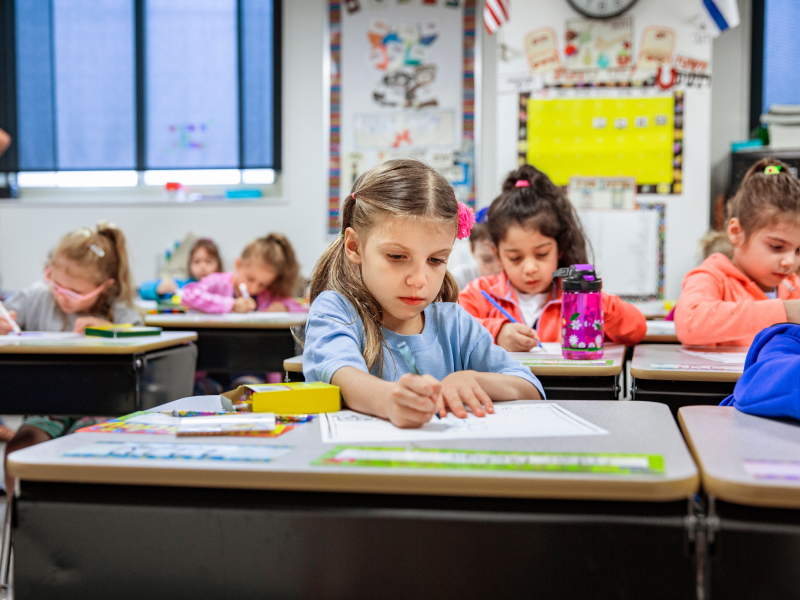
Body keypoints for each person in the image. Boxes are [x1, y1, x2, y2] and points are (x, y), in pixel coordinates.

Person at [303, 159, 544, 429]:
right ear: (355, 246)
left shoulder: (454, 323)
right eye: (396, 256)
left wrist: (476, 380)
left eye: (436, 260)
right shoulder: (336, 311)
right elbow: (341, 373)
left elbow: (529, 387)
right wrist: (390, 400)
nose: (418, 280)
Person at [1, 222, 141, 490]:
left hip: (102, 408)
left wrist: (111, 332)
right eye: (55, 283)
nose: (62, 296)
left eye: (75, 292)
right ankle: (18, 522)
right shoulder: (36, 298)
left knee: (82, 445)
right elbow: (6, 315)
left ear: (104, 286)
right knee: (19, 449)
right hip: (47, 407)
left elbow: (144, 340)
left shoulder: (118, 311)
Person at [459, 165, 646, 352]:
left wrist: (593, 301)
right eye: (515, 258)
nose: (530, 268)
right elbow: (453, 331)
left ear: (560, 248)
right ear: (498, 255)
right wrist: (496, 333)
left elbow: (637, 328)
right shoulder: (480, 293)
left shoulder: (575, 295)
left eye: (542, 254)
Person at [675, 158, 800, 346]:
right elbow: (689, 323)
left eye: (799, 250)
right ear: (736, 232)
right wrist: (785, 311)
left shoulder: (793, 286)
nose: (790, 261)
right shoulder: (712, 277)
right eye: (776, 247)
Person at [181, 233, 305, 313]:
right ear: (238, 265)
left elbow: (301, 308)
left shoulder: (264, 295)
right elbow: (188, 294)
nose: (254, 288)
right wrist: (232, 305)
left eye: (262, 284)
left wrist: (284, 308)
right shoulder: (218, 282)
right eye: (250, 279)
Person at [139, 238, 222, 301]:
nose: (202, 266)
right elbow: (143, 289)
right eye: (197, 262)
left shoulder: (224, 287)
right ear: (189, 265)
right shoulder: (182, 287)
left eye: (208, 261)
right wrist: (157, 289)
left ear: (218, 264)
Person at [450, 223, 502, 290]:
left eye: (512, 258)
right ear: (472, 249)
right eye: (487, 259)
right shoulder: (459, 279)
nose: (497, 268)